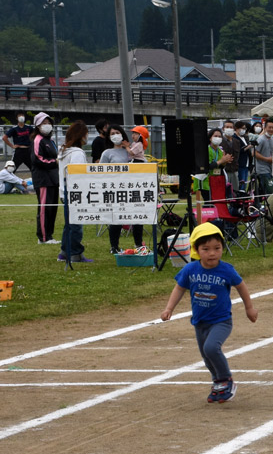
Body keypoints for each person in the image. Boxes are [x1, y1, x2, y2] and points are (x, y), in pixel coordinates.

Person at [160, 222, 258, 404]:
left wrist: (249, 307)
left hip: (221, 320)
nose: (212, 253)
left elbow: (241, 286)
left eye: (217, 248)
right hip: (200, 321)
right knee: (206, 357)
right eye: (206, 249)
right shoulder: (190, 269)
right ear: (196, 250)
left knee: (211, 348)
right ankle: (218, 383)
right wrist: (169, 308)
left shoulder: (226, 270)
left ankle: (227, 380)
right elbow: (179, 288)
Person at [100, 125, 149, 254]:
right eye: (112, 133)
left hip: (133, 189)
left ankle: (139, 244)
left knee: (137, 217)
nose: (115, 135)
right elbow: (101, 172)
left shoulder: (131, 149)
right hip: (116, 190)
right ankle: (114, 246)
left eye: (117, 132)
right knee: (116, 219)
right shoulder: (107, 153)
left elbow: (143, 163)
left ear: (122, 134)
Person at [57, 120, 93, 263]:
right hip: (75, 193)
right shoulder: (77, 153)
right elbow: (79, 176)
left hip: (64, 192)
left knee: (69, 224)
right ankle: (75, 254)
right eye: (86, 134)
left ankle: (64, 252)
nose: (87, 137)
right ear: (81, 136)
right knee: (76, 225)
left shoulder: (63, 152)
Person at [31, 112, 60, 245]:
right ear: (37, 125)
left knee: (52, 208)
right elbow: (38, 159)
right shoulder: (38, 140)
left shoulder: (51, 141)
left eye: (49, 123)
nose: (47, 126)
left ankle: (49, 235)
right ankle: (43, 237)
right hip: (43, 179)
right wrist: (55, 162)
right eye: (44, 123)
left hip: (53, 179)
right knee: (44, 208)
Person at [220, 119, 246, 193]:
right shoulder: (220, 141)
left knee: (235, 192)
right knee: (224, 192)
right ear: (223, 129)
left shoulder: (236, 141)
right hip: (224, 170)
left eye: (231, 127)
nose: (229, 129)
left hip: (234, 170)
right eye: (227, 127)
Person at [254, 120, 273, 195]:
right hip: (262, 169)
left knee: (269, 190)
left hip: (270, 169)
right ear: (265, 128)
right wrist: (267, 159)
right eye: (269, 127)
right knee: (267, 191)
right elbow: (254, 153)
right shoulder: (261, 139)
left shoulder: (272, 140)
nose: (271, 129)